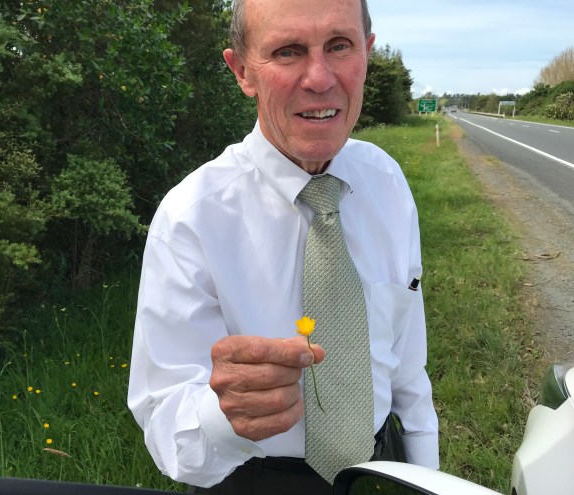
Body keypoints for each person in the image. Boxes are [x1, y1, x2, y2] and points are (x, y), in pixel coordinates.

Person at [127, 0, 439, 493]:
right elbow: (168, 432)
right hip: (252, 478)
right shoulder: (190, 219)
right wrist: (226, 415)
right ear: (242, 71)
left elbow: (407, 366)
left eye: (339, 45)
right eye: (288, 51)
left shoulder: (387, 181)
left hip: (383, 466)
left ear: (367, 52)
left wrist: (426, 475)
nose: (320, 78)